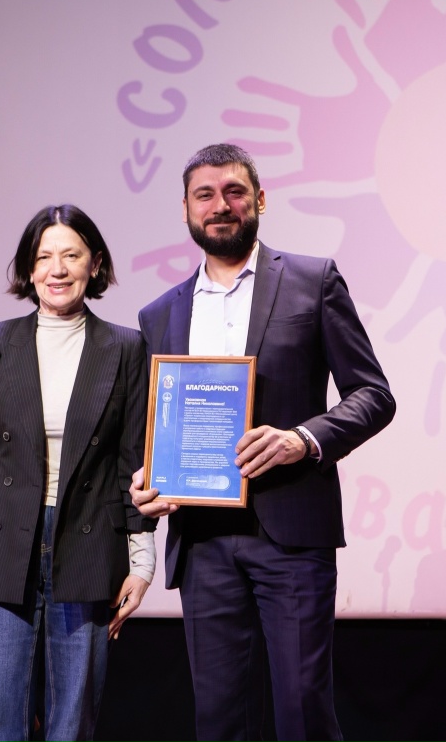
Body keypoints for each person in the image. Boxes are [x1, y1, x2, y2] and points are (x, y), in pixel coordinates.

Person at [132, 144, 396, 742]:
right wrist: (147, 480)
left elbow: (373, 395)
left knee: (302, 711)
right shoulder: (159, 315)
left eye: (234, 191)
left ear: (260, 200)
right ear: (185, 209)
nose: (220, 205)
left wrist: (303, 439)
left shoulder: (312, 281)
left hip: (292, 534)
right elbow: (156, 427)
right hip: (202, 540)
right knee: (220, 720)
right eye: (205, 195)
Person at [0, 205, 156, 742]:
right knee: (2, 721)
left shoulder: (125, 347)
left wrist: (141, 560)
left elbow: (133, 460)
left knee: (73, 721)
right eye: (44, 257)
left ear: (95, 264)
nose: (57, 269)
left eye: (71, 255)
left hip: (87, 544)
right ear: (29, 267)